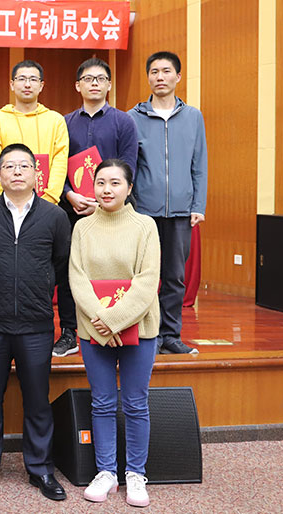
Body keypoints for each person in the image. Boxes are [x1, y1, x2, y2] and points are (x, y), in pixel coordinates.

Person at [0, 143, 70, 502]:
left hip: (36, 325)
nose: (16, 172)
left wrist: (67, 323)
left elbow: (63, 271)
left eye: (24, 166)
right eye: (9, 166)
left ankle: (41, 469)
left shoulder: (55, 217)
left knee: (38, 402)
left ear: (36, 174)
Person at [69, 158, 160, 508]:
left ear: (129, 188)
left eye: (115, 183)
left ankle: (136, 473)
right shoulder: (83, 228)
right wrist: (101, 321)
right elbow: (77, 277)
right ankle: (106, 471)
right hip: (94, 330)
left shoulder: (145, 226)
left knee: (136, 403)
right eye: (100, 182)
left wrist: (115, 320)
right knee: (103, 403)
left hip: (139, 329)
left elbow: (148, 280)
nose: (106, 190)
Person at [52, 57, 139, 359]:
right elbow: (58, 165)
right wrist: (68, 194)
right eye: (88, 79)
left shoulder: (124, 121)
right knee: (69, 270)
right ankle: (69, 331)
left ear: (109, 85)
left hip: (112, 212)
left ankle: (115, 325)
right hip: (71, 209)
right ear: (77, 85)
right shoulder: (63, 123)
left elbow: (128, 167)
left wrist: (104, 200)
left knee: (112, 268)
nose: (94, 84)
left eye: (100, 79)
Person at [128, 51, 207, 355]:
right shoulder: (133, 117)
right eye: (154, 72)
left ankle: (170, 335)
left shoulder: (193, 117)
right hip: (142, 212)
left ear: (178, 77)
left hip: (181, 211)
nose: (160, 77)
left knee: (174, 276)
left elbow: (199, 164)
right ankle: (144, 333)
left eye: (166, 71)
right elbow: (128, 166)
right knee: (143, 276)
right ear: (148, 77)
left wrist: (198, 204)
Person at [0, 60, 69, 204]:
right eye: (22, 79)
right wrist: (13, 197)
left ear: (41, 86)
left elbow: (60, 162)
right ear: (12, 84)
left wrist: (49, 199)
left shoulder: (56, 120)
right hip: (5, 203)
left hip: (46, 204)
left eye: (33, 79)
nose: (27, 84)